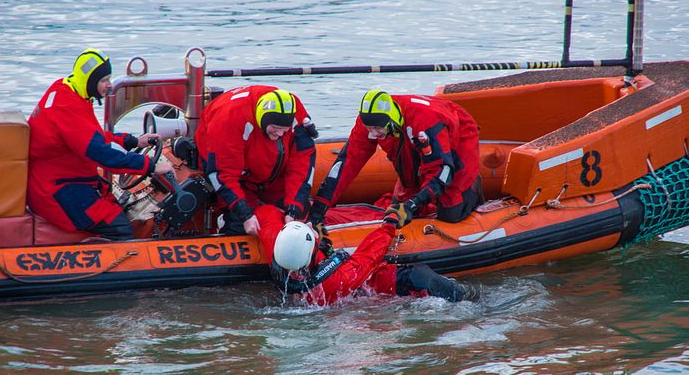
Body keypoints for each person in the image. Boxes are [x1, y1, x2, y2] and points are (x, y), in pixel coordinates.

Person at [27, 48, 174, 240]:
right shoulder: (67, 107)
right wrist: (151, 166)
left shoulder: (67, 91)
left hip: (63, 179)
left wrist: (133, 141)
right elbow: (101, 153)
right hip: (57, 190)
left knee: (113, 209)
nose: (109, 85)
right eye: (104, 80)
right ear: (89, 81)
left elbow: (92, 137)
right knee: (120, 228)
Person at [308, 89, 482, 228]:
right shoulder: (371, 122)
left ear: (390, 121)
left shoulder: (423, 122)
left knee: (451, 213)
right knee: (399, 201)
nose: (373, 134)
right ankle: (419, 201)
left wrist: (413, 204)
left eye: (376, 129)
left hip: (457, 140)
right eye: (369, 129)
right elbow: (347, 162)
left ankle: (474, 187)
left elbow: (441, 170)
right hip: (406, 140)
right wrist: (320, 207)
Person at [254, 203, 477, 306]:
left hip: (342, 296)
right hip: (365, 290)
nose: (311, 226)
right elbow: (368, 257)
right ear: (312, 250)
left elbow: (264, 212)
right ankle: (468, 299)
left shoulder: (282, 258)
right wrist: (389, 224)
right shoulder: (336, 279)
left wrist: (290, 214)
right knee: (421, 277)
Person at [194, 85, 317, 235]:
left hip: (272, 171)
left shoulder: (292, 109)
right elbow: (222, 175)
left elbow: (302, 163)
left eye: (284, 130)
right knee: (240, 225)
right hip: (237, 175)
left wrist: (293, 209)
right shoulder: (228, 119)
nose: (279, 133)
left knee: (300, 215)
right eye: (275, 128)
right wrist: (245, 215)